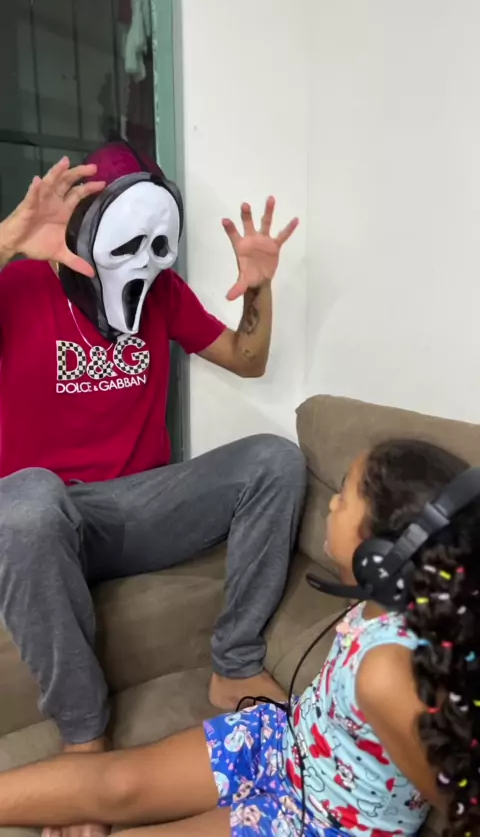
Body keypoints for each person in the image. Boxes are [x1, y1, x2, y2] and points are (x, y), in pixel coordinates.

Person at [0, 147, 307, 836]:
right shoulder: (19, 286)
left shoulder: (160, 293)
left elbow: (248, 359)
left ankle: (234, 664)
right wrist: (6, 241)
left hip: (141, 506)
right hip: (43, 521)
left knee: (274, 459)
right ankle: (84, 737)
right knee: (26, 503)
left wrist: (259, 288)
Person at [0, 437, 477, 837]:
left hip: (322, 823)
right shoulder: (380, 601)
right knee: (117, 784)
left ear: (381, 555)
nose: (330, 503)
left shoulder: (386, 674)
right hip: (284, 742)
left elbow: (461, 804)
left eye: (345, 498)